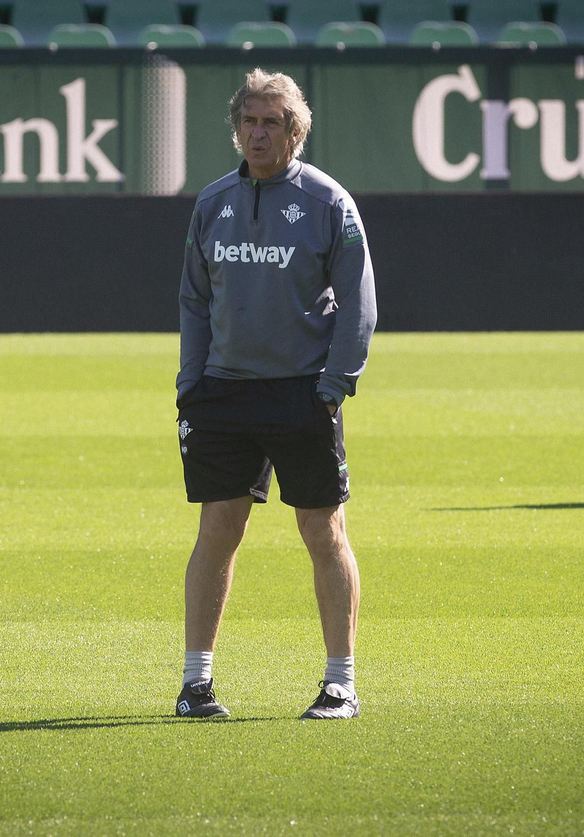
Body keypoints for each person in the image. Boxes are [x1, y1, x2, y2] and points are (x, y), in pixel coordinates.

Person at [174, 69, 377, 721]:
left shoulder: (327, 202)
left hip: (301, 392)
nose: (258, 133)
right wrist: (191, 381)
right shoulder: (212, 203)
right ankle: (195, 683)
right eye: (249, 121)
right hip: (223, 394)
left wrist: (333, 385)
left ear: (296, 131)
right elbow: (194, 299)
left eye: (272, 122)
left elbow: (358, 305)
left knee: (322, 528)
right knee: (218, 527)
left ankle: (340, 682)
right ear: (236, 128)